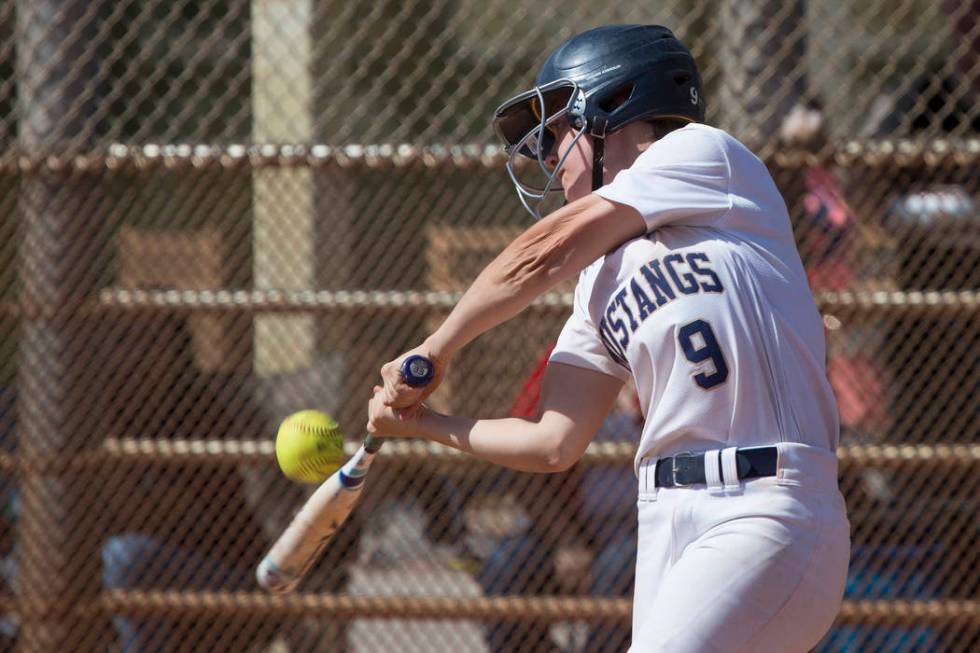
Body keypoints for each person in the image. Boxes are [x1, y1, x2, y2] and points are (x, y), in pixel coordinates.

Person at [368, 24, 850, 652]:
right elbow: (551, 442)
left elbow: (539, 256)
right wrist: (425, 423)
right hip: (665, 522)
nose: (547, 160)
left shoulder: (706, 157)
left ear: (614, 107)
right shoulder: (597, 281)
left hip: (764, 508)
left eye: (556, 134)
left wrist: (435, 347)